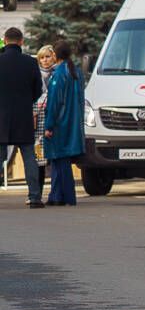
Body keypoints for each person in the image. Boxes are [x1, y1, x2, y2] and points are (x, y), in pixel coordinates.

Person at [0, 27, 44, 207]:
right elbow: (38, 90)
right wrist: (26, 102)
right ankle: (34, 197)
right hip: (24, 117)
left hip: (1, 117)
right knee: (28, 157)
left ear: (4, 40)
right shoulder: (30, 62)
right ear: (21, 42)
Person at [40, 41, 84, 207]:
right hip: (73, 122)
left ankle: (67, 196)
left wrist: (49, 125)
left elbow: (54, 103)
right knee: (59, 160)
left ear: (55, 56)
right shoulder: (76, 72)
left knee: (60, 160)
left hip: (60, 123)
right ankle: (56, 195)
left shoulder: (58, 74)